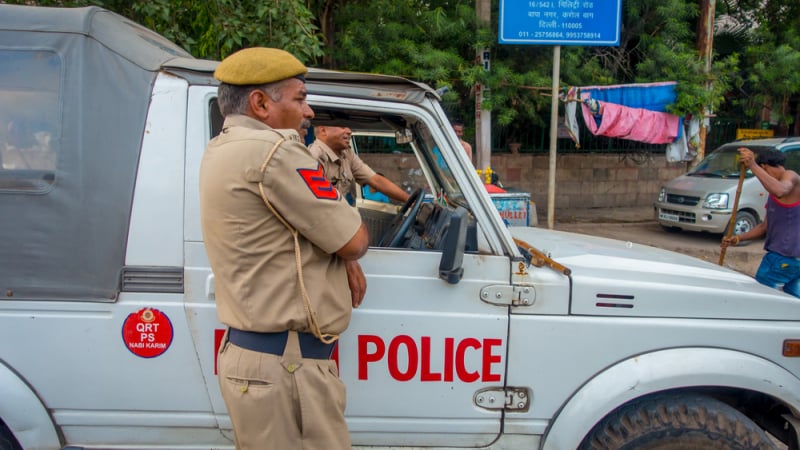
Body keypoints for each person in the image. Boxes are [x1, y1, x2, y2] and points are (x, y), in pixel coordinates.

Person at [198, 47, 369, 450]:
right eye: (300, 98)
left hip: (259, 358)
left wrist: (339, 252)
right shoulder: (275, 151)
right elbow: (355, 240)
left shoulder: (222, 147)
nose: (309, 112)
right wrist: (345, 252)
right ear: (260, 103)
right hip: (287, 369)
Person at [721, 147, 800, 297]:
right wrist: (737, 238)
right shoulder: (773, 193)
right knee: (793, 298)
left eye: (762, 171)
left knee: (762, 296)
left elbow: (780, 190)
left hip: (784, 258)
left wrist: (753, 165)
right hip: (786, 258)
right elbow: (764, 227)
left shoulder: (790, 176)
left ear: (764, 167)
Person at [308, 125, 410, 205]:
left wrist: (410, 201)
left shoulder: (346, 154)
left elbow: (376, 180)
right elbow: (316, 206)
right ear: (323, 131)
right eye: (342, 127)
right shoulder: (313, 157)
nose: (349, 131)